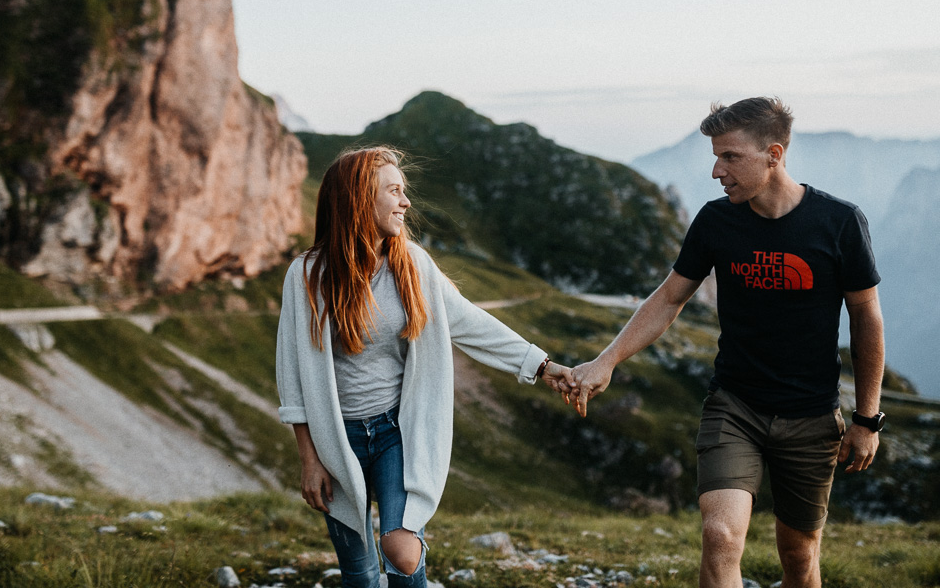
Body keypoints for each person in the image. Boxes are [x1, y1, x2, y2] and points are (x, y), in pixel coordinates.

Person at [565, 97, 886, 588]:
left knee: (798, 556)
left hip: (812, 414)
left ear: (774, 154)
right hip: (734, 406)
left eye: (730, 157)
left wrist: (867, 418)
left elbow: (866, 317)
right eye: (715, 156)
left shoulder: (839, 222)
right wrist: (607, 361)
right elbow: (668, 299)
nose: (717, 170)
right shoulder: (717, 221)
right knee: (719, 535)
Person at [276, 147, 571, 588]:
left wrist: (541, 365)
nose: (405, 202)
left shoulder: (412, 264)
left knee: (402, 551)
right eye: (394, 191)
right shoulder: (306, 276)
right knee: (358, 570)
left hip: (399, 432)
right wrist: (309, 460)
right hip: (336, 439)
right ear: (359, 199)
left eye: (403, 191)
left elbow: (468, 321)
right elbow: (292, 376)